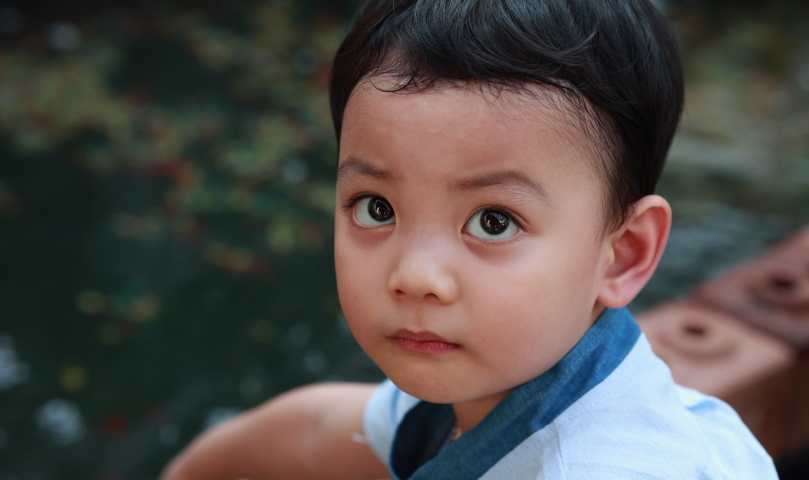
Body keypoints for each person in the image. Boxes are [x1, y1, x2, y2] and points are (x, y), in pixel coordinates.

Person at [161, 0, 779, 478]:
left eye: (493, 222)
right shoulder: (507, 377)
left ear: (624, 253)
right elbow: (316, 430)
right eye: (376, 208)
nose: (416, 277)